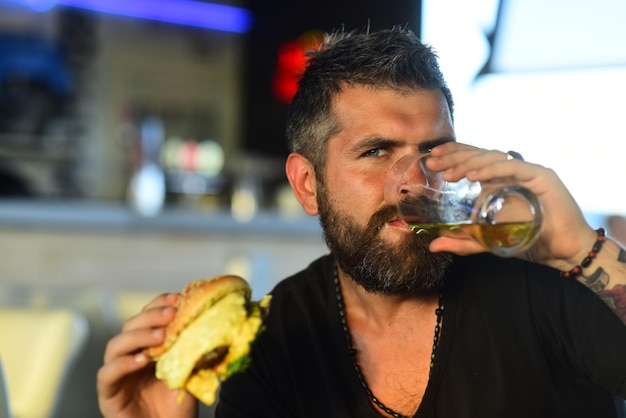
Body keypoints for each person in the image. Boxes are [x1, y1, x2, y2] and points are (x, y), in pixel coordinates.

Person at [97, 26, 626, 418]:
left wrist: (580, 249)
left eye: (434, 152)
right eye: (376, 151)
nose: (410, 182)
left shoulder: (540, 285)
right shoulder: (274, 338)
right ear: (308, 184)